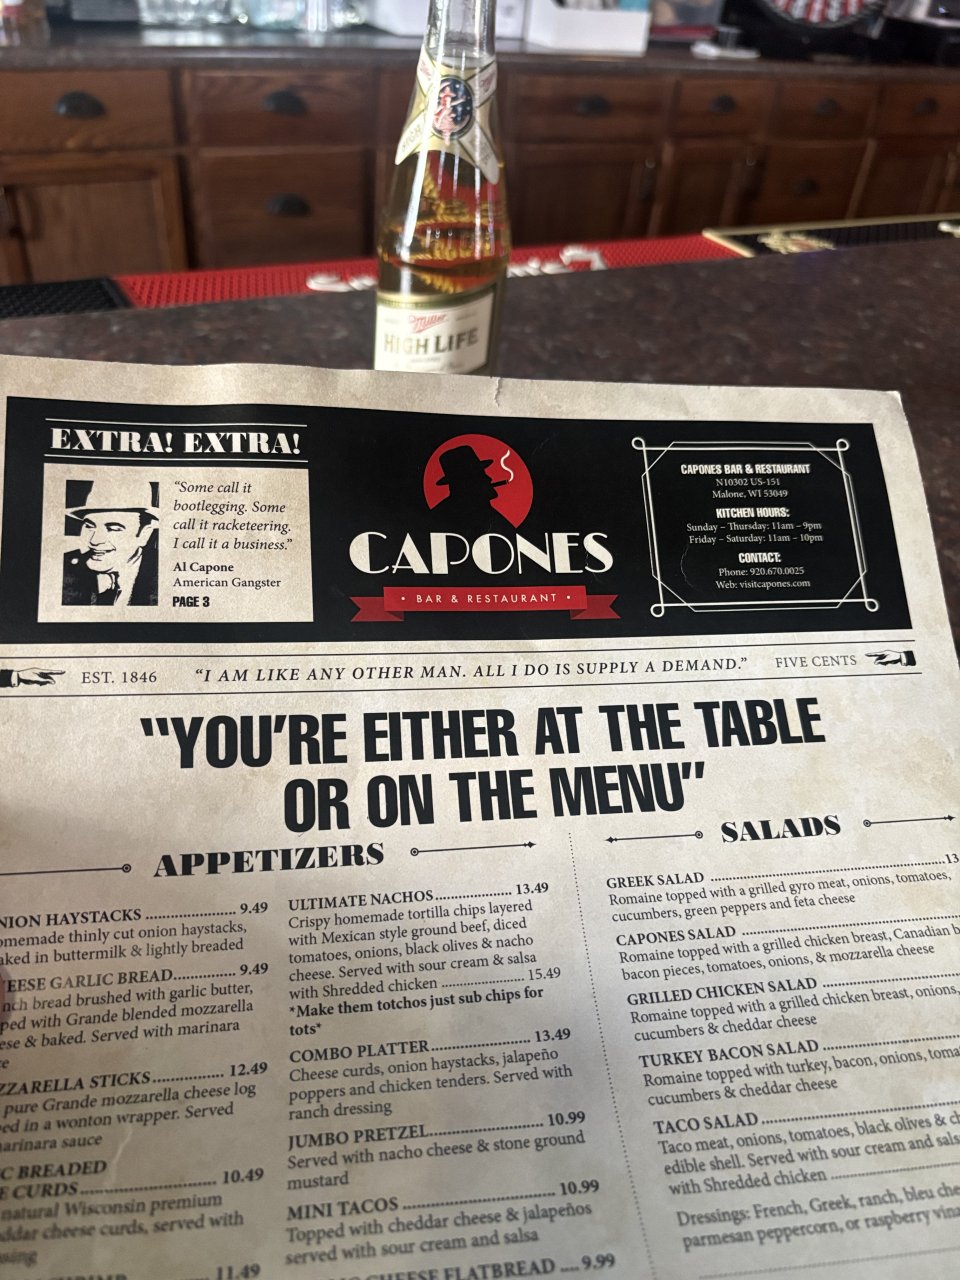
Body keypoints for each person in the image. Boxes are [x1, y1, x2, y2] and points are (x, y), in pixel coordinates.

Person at [62, 477, 159, 607]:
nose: (94, 541)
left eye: (113, 529)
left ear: (144, 534)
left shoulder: (163, 574)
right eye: (90, 526)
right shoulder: (65, 568)